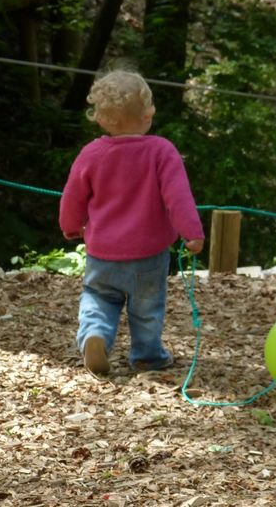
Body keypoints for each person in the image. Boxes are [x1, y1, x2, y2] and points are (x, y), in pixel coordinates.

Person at [59, 70, 205, 375]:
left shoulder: (92, 154)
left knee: (98, 298)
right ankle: (147, 356)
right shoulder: (161, 151)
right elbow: (177, 196)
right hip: (148, 256)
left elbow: (73, 196)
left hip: (102, 254)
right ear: (148, 114)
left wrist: (71, 226)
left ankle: (95, 335)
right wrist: (192, 233)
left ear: (99, 118)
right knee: (147, 309)